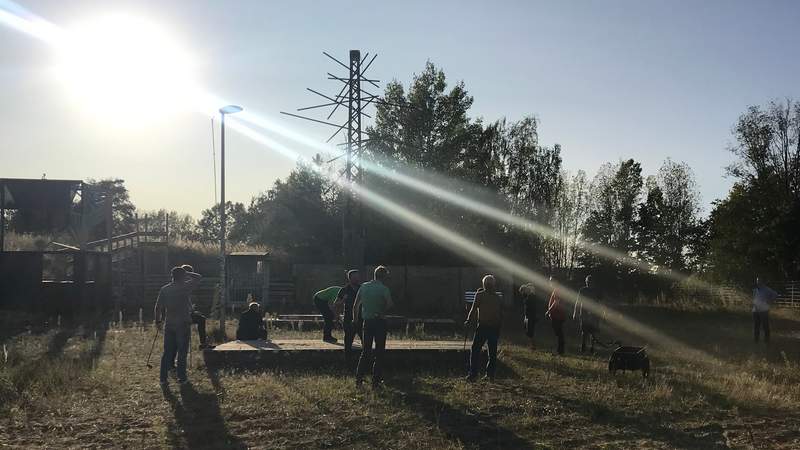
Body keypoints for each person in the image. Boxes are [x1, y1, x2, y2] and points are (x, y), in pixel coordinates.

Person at [154, 266, 202, 386]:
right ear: (183, 276)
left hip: (169, 323)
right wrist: (187, 272)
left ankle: (163, 379)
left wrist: (158, 321)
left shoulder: (165, 289)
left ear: (172, 276)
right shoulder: (185, 287)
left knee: (167, 352)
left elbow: (158, 307)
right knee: (182, 352)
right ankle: (182, 378)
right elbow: (198, 277)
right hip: (183, 323)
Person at [353, 265, 393, 388]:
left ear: (374, 275)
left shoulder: (364, 287)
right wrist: (381, 311)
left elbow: (356, 306)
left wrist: (355, 320)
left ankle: (359, 379)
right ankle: (375, 382)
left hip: (367, 323)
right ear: (384, 276)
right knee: (379, 352)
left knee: (366, 351)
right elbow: (390, 304)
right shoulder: (384, 289)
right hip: (380, 322)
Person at [465, 275, 503, 381]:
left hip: (483, 326)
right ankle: (490, 375)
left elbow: (473, 309)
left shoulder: (480, 295)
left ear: (484, 284)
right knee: (492, 351)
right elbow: (500, 313)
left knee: (475, 349)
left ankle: (473, 374)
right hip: (494, 327)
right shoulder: (497, 298)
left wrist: (468, 320)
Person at [181, 265, 212, 349]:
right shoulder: (185, 285)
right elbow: (198, 277)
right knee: (201, 319)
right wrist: (186, 273)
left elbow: (186, 300)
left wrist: (192, 310)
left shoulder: (172, 285)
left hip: (175, 314)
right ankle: (203, 343)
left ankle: (203, 343)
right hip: (183, 315)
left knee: (200, 316)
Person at [335, 270, 362, 359]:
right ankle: (347, 362)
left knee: (365, 341)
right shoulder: (344, 290)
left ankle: (365, 363)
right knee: (348, 342)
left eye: (358, 277)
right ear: (349, 278)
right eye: (354, 277)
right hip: (348, 319)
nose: (357, 279)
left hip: (361, 318)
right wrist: (343, 300)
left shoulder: (362, 288)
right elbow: (336, 303)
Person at [573, 275, 603, 353]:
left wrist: (602, 313)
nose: (588, 283)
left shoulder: (597, 291)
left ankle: (592, 348)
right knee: (584, 331)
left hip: (594, 314)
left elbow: (601, 303)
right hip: (584, 313)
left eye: (590, 282)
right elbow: (578, 302)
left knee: (593, 332)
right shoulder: (582, 290)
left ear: (593, 283)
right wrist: (575, 312)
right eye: (587, 282)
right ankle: (583, 346)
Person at [752, 277, 778, 344]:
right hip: (755, 310)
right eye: (757, 281)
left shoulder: (767, 289)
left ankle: (767, 341)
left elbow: (775, 294)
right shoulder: (755, 290)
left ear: (762, 282)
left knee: (765, 326)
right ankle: (756, 341)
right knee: (756, 326)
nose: (757, 282)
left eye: (759, 281)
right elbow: (754, 298)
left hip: (764, 311)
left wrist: (769, 301)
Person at [546, 275, 566, 355]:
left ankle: (560, 350)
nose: (550, 282)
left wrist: (549, 310)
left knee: (558, 333)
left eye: (551, 280)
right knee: (558, 333)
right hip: (557, 315)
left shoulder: (557, 290)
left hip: (558, 315)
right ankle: (560, 350)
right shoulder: (556, 290)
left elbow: (556, 302)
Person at [520, 283, 538, 349]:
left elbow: (531, 306)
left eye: (523, 292)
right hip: (527, 315)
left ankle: (533, 345)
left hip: (531, 316)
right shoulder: (527, 297)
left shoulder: (531, 296)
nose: (522, 294)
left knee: (530, 331)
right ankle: (531, 344)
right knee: (528, 331)